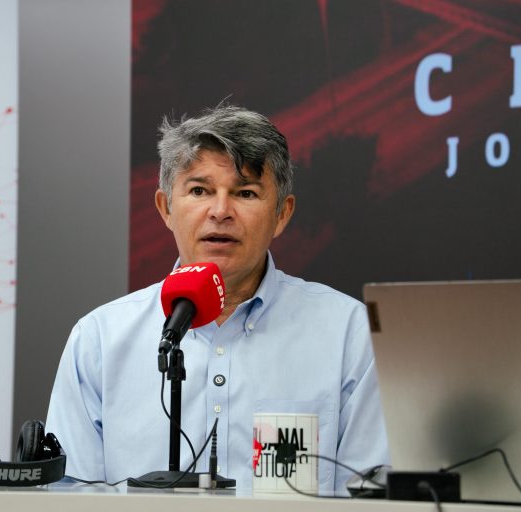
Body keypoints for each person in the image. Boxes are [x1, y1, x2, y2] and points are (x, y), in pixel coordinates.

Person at [46, 105, 389, 493]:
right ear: (166, 208)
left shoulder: (349, 334)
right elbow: (69, 494)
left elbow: (371, 495)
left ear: (282, 214)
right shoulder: (100, 339)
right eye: (199, 191)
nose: (221, 211)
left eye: (245, 193)